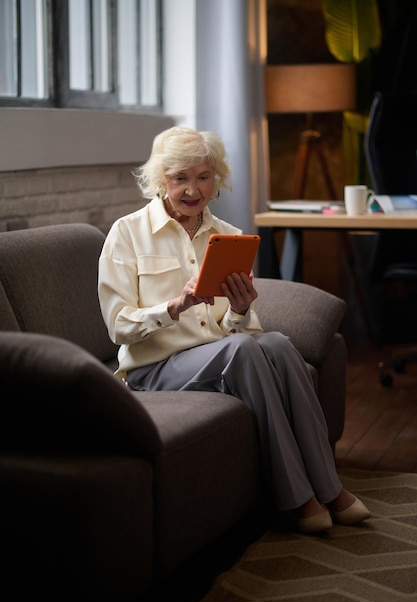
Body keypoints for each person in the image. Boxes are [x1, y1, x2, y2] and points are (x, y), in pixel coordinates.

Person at [98, 126, 370, 534]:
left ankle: (330, 487)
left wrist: (242, 308)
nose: (193, 189)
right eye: (181, 178)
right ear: (161, 180)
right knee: (243, 351)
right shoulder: (127, 233)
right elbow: (118, 326)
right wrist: (174, 307)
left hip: (216, 358)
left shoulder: (230, 236)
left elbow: (241, 330)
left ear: (217, 178)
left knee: (277, 344)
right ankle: (301, 498)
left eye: (203, 176)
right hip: (152, 371)